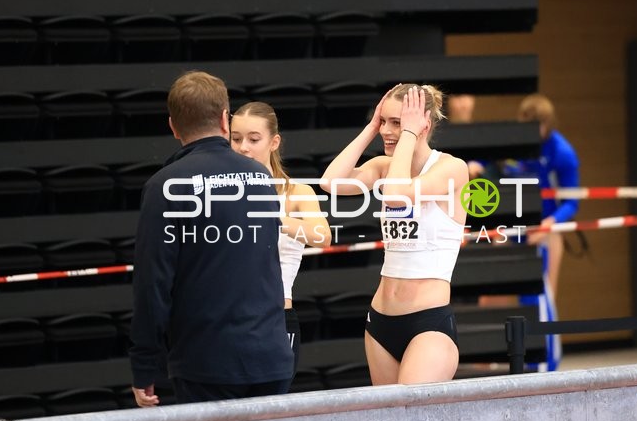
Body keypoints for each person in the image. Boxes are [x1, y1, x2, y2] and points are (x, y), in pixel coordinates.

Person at [130, 71, 293, 406]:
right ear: (224, 119)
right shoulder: (260, 176)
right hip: (270, 355)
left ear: (173, 126)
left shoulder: (165, 186)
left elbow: (152, 283)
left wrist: (144, 366)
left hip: (207, 364)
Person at [321, 84, 469, 385]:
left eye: (397, 123)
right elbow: (330, 182)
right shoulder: (384, 167)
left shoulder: (451, 168)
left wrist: (409, 134)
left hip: (427, 323)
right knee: (387, 413)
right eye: (383, 121)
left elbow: (397, 195)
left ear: (423, 124)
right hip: (381, 320)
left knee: (410, 412)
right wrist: (370, 128)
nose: (386, 131)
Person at [230, 101, 331, 378]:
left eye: (253, 139)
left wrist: (271, 215)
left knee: (271, 400)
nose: (243, 147)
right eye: (236, 139)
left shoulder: (297, 192)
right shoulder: (221, 193)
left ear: (274, 142)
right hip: (227, 317)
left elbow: (322, 236)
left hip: (275, 318)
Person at [486, 93, 580, 371]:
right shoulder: (513, 143)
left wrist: (550, 223)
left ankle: (544, 364)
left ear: (547, 124)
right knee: (492, 296)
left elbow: (572, 202)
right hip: (510, 228)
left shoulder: (562, 152)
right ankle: (490, 361)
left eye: (536, 126)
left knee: (540, 299)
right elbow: (486, 162)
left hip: (543, 232)